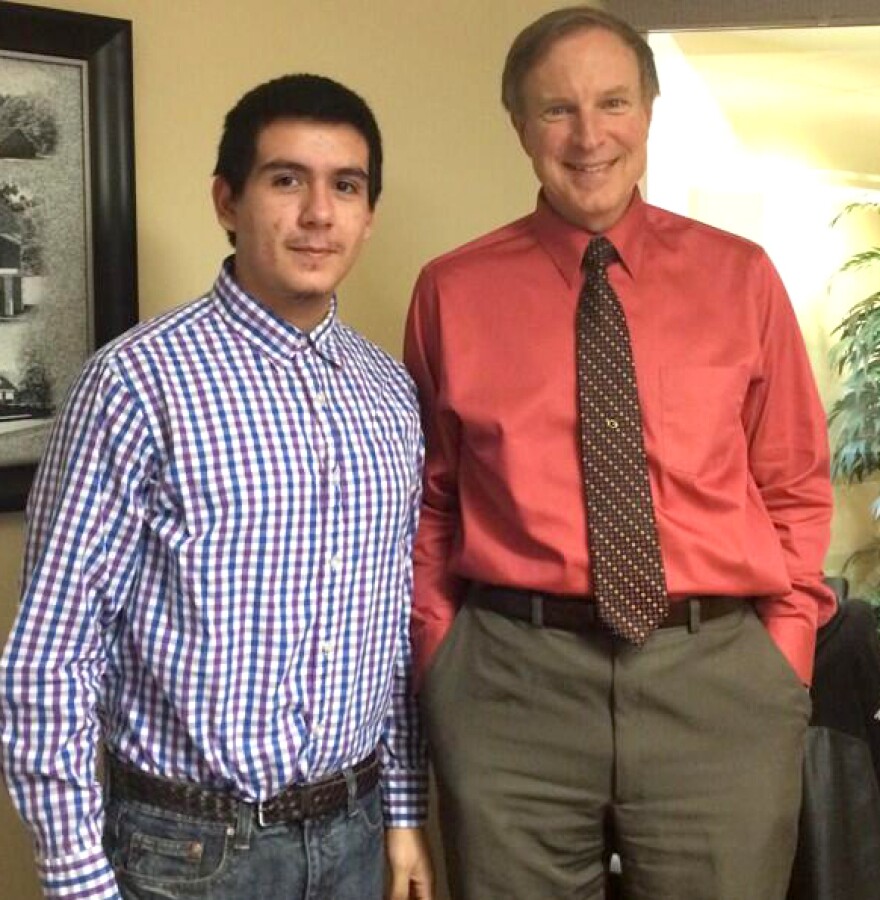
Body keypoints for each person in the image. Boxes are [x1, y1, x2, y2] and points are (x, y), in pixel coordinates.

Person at [404, 7, 834, 899]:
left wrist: (781, 654)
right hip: (510, 689)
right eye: (556, 109)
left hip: (716, 685)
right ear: (519, 124)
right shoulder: (452, 290)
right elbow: (432, 499)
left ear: (648, 111)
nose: (589, 135)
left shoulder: (741, 275)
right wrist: (442, 656)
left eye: (613, 102)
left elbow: (792, 485)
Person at [0, 73, 433, 900]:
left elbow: (394, 629)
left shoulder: (390, 393)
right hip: (188, 852)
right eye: (286, 180)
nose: (318, 214)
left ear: (368, 212)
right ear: (226, 201)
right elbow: (50, 658)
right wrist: (77, 879)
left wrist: (405, 813)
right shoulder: (134, 383)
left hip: (355, 831)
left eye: (345, 186)